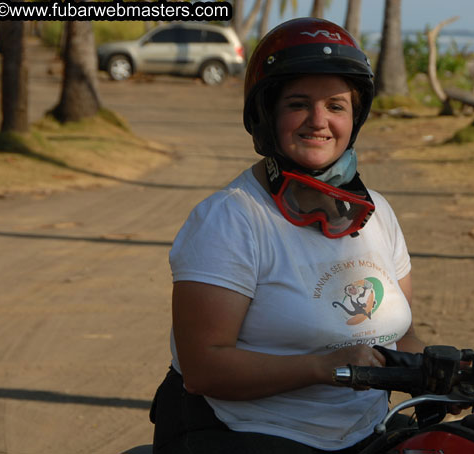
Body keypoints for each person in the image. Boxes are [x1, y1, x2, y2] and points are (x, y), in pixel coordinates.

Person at [148, 17, 425, 454]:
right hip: (246, 432)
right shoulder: (231, 219)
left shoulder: (379, 212)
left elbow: (401, 336)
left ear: (355, 118)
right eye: (299, 103)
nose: (319, 121)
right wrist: (324, 368)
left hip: (367, 431)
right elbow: (204, 367)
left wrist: (439, 366)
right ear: (267, 115)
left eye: (336, 106)